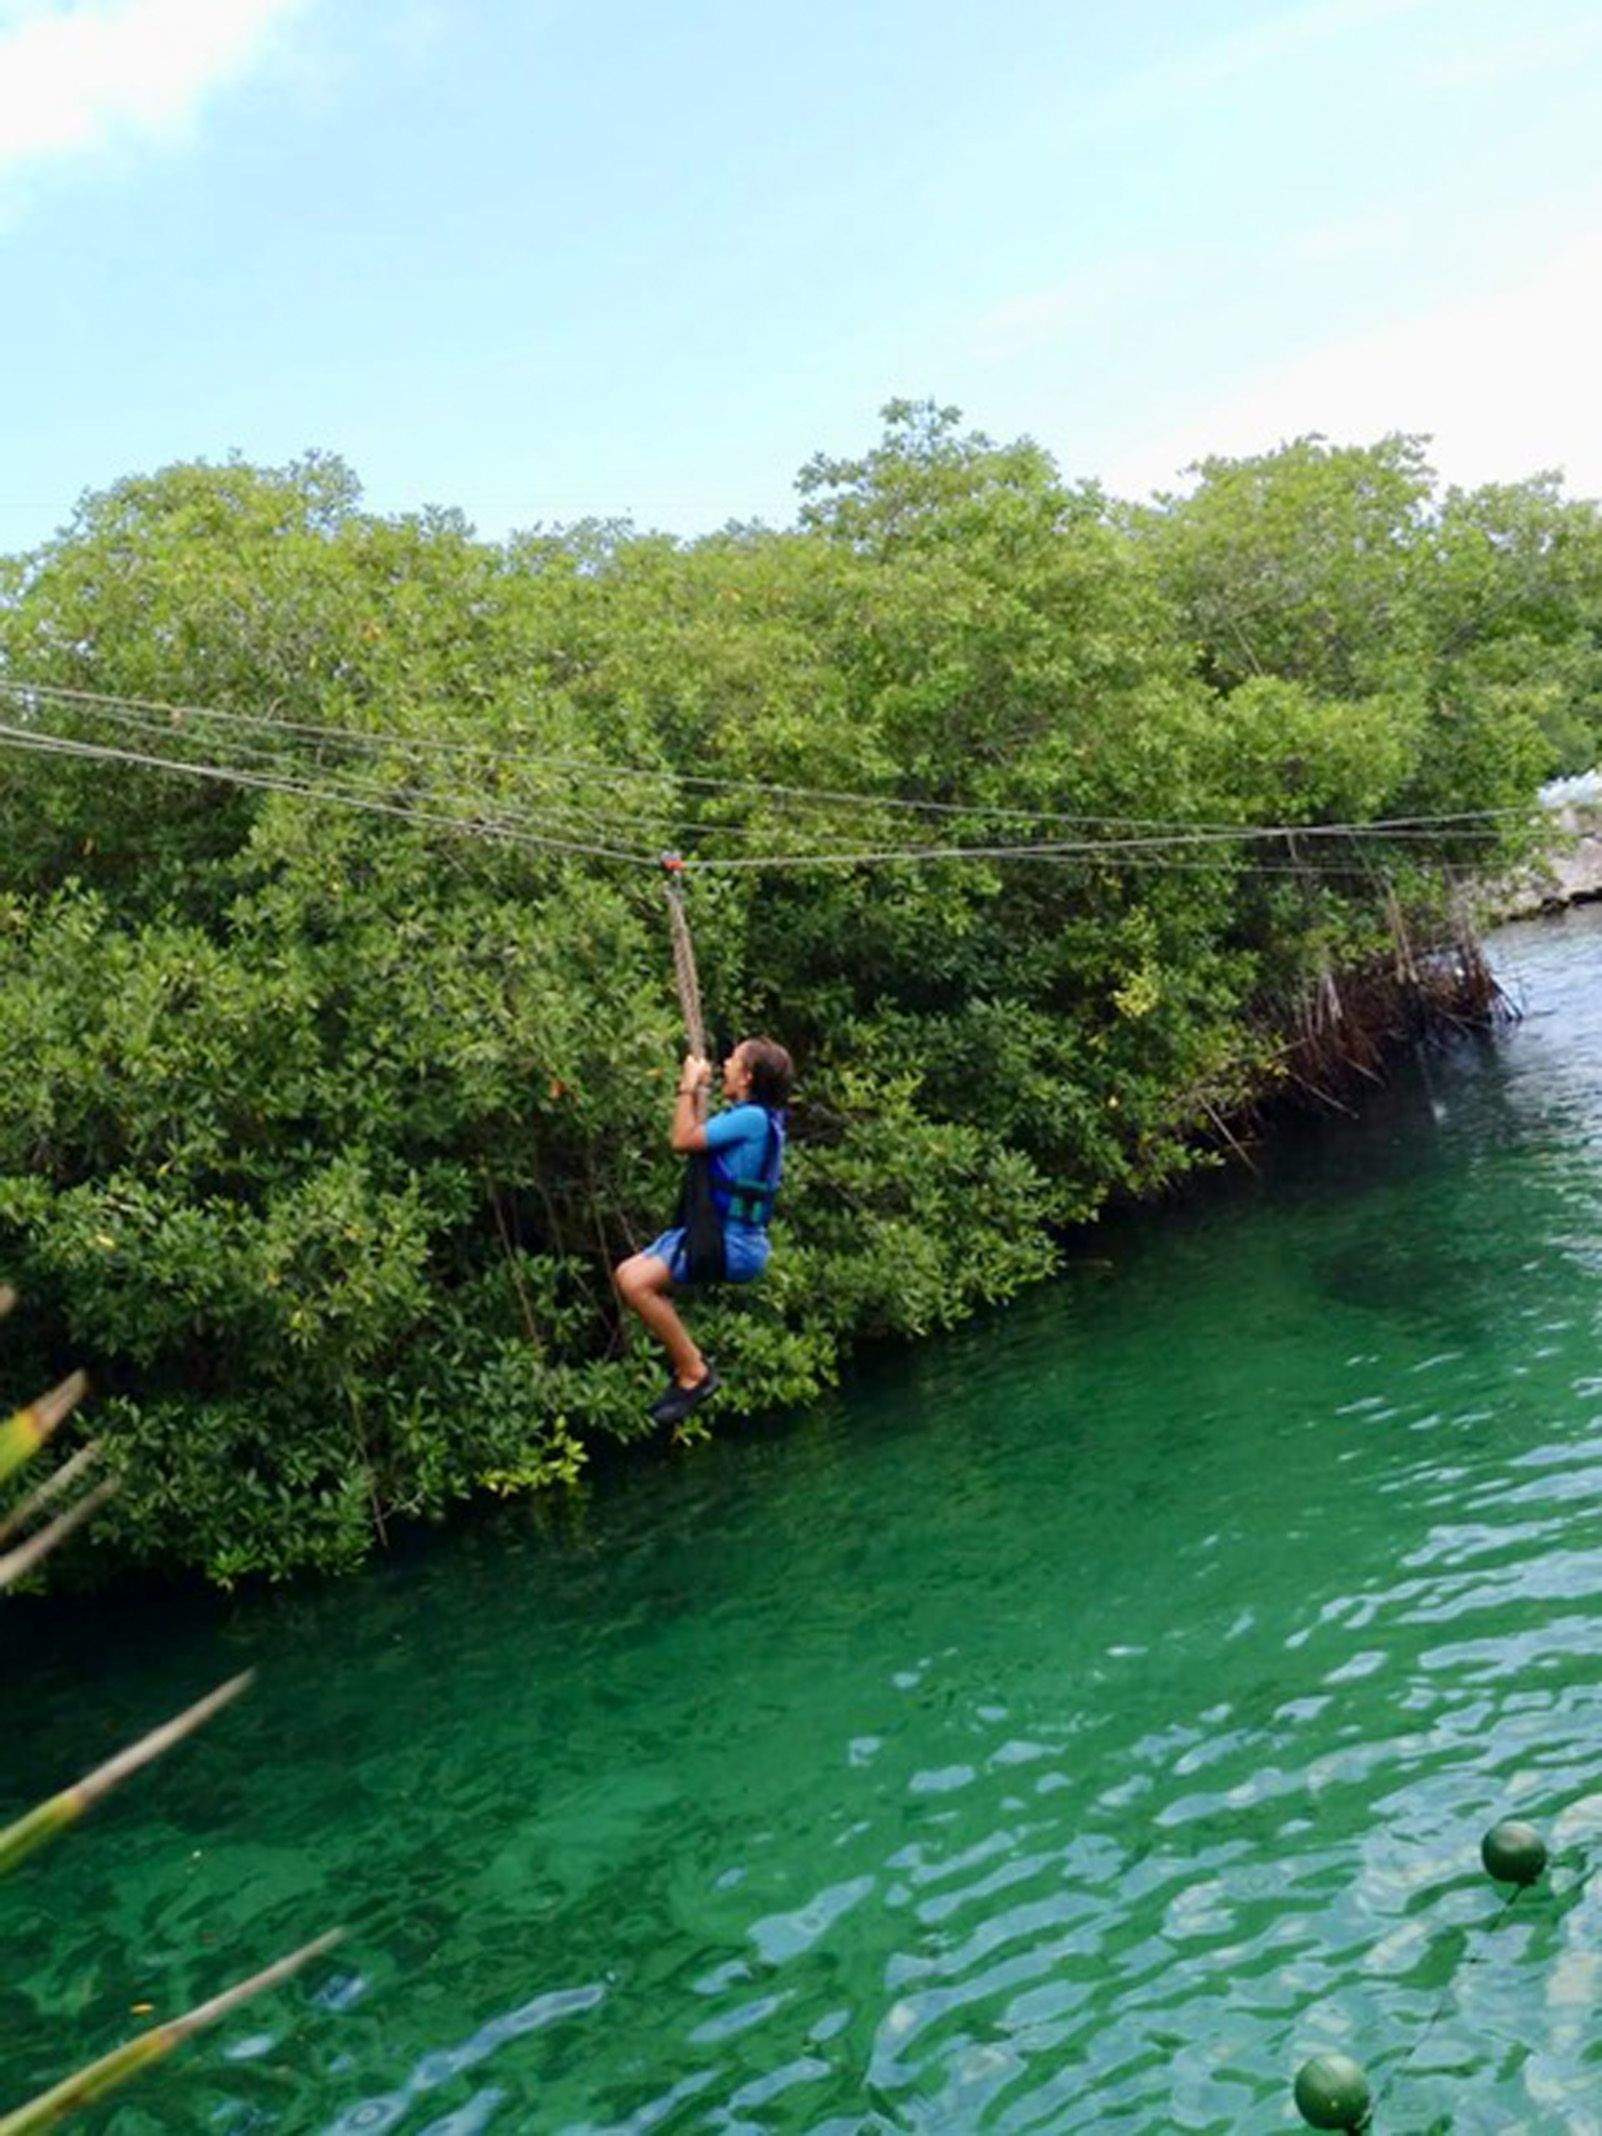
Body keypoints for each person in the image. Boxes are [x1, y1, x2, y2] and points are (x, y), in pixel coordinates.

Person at [614, 1036, 792, 1426]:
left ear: (746, 1076)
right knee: (628, 1276)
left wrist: (687, 1085)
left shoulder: (751, 1119)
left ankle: (694, 1371)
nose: (724, 1063)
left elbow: (682, 1139)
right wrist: (696, 1092)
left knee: (636, 1283)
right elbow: (698, 1136)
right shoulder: (753, 1117)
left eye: (732, 1060)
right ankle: (690, 1368)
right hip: (717, 1235)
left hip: (730, 1243)